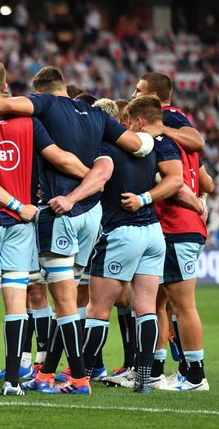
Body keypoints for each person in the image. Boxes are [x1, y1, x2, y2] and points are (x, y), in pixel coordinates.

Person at [0, 65, 155, 395]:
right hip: (88, 213)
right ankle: (40, 374)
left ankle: (74, 376)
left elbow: (3, 113)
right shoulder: (92, 115)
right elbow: (135, 146)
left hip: (50, 210)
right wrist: (92, 184)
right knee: (59, 296)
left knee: (43, 298)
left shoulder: (39, 110)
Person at [48, 95, 183, 393]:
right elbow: (176, 181)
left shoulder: (107, 149)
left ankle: (78, 378)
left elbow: (101, 176)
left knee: (97, 309)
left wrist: (70, 198)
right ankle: (144, 378)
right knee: (145, 307)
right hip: (153, 233)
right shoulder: (149, 149)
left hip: (123, 233)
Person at [132, 72, 211, 391]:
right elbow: (206, 181)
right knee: (160, 301)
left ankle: (195, 375)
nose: (133, 93)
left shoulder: (168, 124)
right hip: (174, 225)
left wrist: (188, 199)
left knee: (183, 304)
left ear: (154, 96)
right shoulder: (175, 134)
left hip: (178, 225)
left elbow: (177, 181)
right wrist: (199, 197)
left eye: (139, 90)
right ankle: (154, 369)